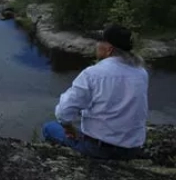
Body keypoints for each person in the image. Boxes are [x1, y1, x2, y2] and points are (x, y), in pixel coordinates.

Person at [42, 23, 149, 160]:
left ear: (109, 49)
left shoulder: (93, 74)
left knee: (49, 128)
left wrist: (68, 128)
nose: (96, 45)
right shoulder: (141, 73)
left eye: (100, 42)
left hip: (99, 150)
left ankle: (56, 160)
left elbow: (64, 112)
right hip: (131, 150)